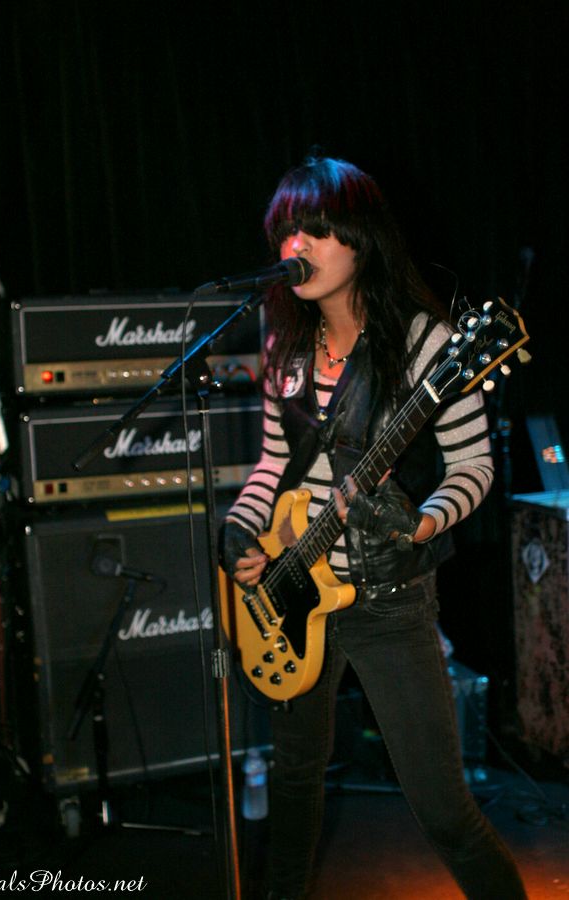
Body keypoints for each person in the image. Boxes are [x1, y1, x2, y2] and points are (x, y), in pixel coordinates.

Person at [218, 155, 526, 899]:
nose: (297, 245)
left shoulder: (426, 342)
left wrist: (418, 525)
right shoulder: (283, 345)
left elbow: (473, 467)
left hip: (388, 603)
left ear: (362, 241)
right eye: (287, 232)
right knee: (294, 786)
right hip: (290, 594)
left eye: (317, 230)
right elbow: (273, 465)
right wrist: (240, 529)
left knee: (445, 813)